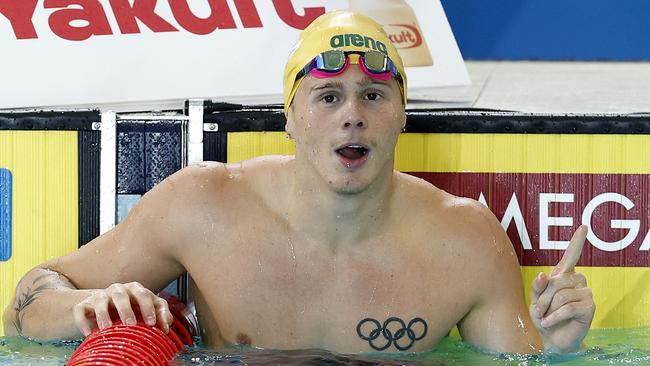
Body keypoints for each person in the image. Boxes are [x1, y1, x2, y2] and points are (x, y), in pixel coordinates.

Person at [3, 11, 594, 354]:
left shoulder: (463, 241)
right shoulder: (205, 205)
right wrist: (85, 307)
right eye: (328, 96)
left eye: (373, 95)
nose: (352, 115)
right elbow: (25, 306)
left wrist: (559, 346)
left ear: (402, 115)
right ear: (288, 117)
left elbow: (522, 356)